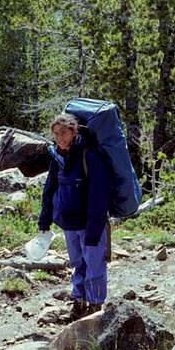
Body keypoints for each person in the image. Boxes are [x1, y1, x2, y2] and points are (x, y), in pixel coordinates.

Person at [38, 113, 110, 321]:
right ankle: (78, 302)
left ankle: (95, 307)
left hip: (90, 224)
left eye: (63, 133)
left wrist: (95, 229)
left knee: (94, 264)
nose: (59, 138)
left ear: (73, 131)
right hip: (68, 223)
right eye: (55, 134)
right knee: (78, 263)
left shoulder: (90, 156)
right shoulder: (57, 157)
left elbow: (99, 195)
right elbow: (49, 189)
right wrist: (45, 220)